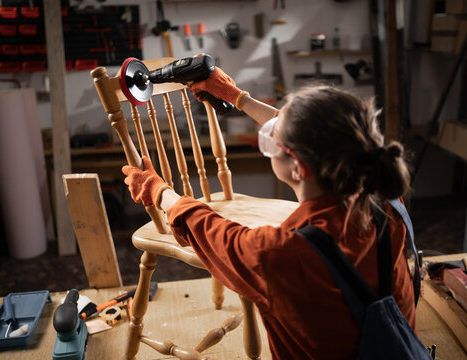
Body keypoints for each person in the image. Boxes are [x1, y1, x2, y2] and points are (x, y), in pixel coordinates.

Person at [122, 68, 415, 360]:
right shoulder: (387, 199)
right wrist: (237, 98)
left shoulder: (282, 254)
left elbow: (211, 231)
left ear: (298, 168)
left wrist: (157, 190)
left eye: (273, 137)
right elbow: (313, 137)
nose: (270, 135)